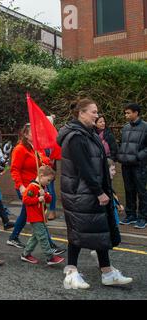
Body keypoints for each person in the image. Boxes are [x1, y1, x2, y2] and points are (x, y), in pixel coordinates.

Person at [57, 98, 132, 289]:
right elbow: (84, 167)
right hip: (81, 193)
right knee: (78, 231)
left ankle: (107, 272)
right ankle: (71, 273)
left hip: (88, 191)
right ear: (81, 113)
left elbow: (97, 163)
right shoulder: (76, 137)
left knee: (99, 230)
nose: (97, 115)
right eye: (93, 111)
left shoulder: (88, 134)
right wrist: (99, 192)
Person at [7, 124, 64, 255]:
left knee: (27, 213)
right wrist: (21, 186)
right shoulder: (19, 149)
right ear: (26, 135)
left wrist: (48, 160)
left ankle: (14, 238)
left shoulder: (37, 148)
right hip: (26, 187)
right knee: (37, 214)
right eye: (33, 132)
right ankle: (50, 245)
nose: (36, 134)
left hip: (36, 185)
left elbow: (43, 161)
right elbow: (14, 169)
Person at [20, 165, 65, 266]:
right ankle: (50, 257)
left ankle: (25, 254)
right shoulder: (32, 187)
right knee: (43, 237)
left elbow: (49, 199)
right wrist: (37, 199)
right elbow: (25, 200)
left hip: (41, 216)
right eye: (48, 180)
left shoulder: (42, 187)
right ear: (41, 176)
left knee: (36, 237)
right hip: (35, 217)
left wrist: (44, 194)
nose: (49, 183)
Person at [117, 103, 147, 229]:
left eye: (128, 113)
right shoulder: (125, 127)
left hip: (139, 165)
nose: (126, 115)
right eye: (125, 113)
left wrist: (138, 156)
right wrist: (120, 155)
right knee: (129, 190)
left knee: (141, 191)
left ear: (136, 113)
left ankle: (143, 217)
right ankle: (130, 215)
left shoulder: (145, 127)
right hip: (126, 164)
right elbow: (121, 143)